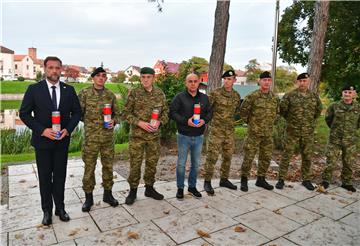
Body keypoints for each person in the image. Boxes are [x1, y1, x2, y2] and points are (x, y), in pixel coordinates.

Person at [19, 56, 81, 225]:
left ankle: (60, 208)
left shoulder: (69, 90)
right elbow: (24, 114)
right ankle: (46, 211)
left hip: (62, 141)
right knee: (45, 177)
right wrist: (42, 130)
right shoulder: (34, 89)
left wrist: (67, 130)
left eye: (57, 68)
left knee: (60, 176)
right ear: (45, 69)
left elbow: (77, 113)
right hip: (43, 142)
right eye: (51, 67)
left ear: (61, 69)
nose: (54, 71)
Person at [122, 67, 168, 205]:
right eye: (143, 77)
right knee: (135, 164)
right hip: (137, 136)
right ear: (140, 78)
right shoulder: (134, 93)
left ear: (153, 78)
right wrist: (139, 123)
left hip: (154, 137)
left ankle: (149, 188)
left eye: (148, 77)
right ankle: (133, 191)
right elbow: (126, 114)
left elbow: (166, 113)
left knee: (151, 164)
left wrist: (160, 122)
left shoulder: (160, 94)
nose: (146, 80)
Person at [78, 67, 121, 212]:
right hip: (91, 138)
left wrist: (114, 121)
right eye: (98, 76)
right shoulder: (84, 93)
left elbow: (118, 114)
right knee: (89, 168)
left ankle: (108, 195)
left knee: (108, 167)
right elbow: (78, 113)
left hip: (107, 139)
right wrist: (90, 123)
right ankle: (88, 198)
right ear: (93, 78)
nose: (101, 78)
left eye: (104, 76)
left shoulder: (110, 95)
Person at [275, 72, 322, 191]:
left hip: (307, 132)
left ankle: (306, 179)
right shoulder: (289, 95)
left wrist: (308, 123)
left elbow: (317, 112)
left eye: (305, 81)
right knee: (287, 155)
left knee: (307, 156)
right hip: (292, 131)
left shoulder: (314, 97)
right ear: (297, 82)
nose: (302, 83)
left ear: (309, 82)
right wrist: (291, 121)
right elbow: (283, 111)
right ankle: (281, 179)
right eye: (300, 81)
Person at [169, 73, 212, 199]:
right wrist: (186, 121)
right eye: (190, 81)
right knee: (181, 164)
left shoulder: (204, 98)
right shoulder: (179, 97)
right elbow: (172, 113)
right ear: (186, 83)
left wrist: (204, 120)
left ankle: (192, 187)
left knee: (196, 163)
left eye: (195, 81)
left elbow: (210, 112)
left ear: (199, 82)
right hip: (183, 136)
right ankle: (180, 188)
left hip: (199, 136)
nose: (193, 84)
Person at [239, 71, 279, 192]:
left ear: (270, 82)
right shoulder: (253, 96)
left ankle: (260, 179)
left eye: (268, 80)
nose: (266, 82)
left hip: (267, 134)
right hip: (254, 134)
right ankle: (244, 180)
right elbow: (243, 111)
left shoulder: (274, 98)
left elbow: (277, 113)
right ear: (260, 81)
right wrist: (252, 123)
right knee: (249, 157)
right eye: (264, 80)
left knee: (266, 157)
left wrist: (271, 123)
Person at [203, 70, 241, 195]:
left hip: (229, 131)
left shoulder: (236, 96)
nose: (226, 81)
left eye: (229, 79)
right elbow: (207, 109)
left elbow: (235, 112)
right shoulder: (215, 93)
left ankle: (224, 179)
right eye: (225, 79)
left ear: (234, 80)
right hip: (216, 131)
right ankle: (207, 181)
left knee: (228, 157)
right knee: (212, 157)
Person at [321, 85, 359, 192]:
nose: (347, 94)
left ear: (354, 94)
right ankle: (326, 180)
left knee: (348, 162)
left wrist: (350, 131)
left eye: (350, 92)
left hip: (350, 140)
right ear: (342, 93)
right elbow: (328, 119)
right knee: (331, 161)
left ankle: (347, 182)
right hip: (335, 139)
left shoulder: (358, 107)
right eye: (345, 92)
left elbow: (358, 123)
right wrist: (335, 130)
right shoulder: (334, 106)